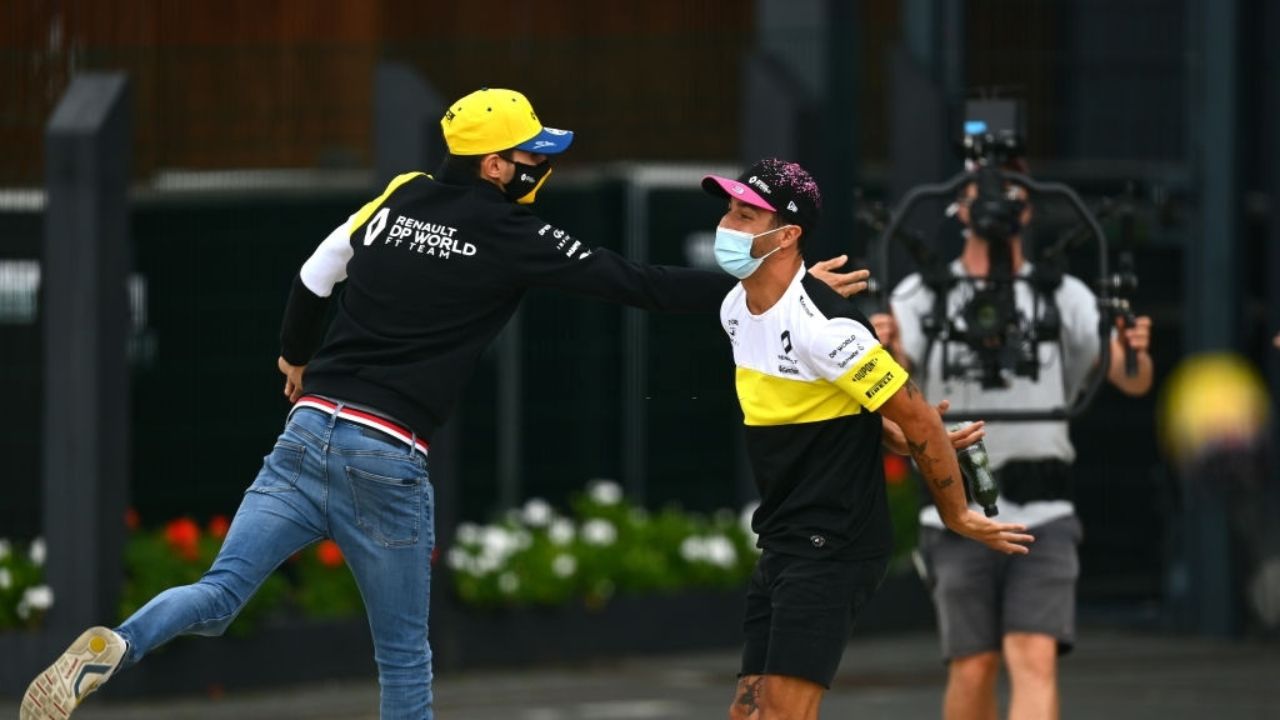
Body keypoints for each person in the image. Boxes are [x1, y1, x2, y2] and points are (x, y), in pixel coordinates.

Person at [21, 89, 867, 720]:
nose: (541, 164)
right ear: (494, 165)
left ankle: (117, 644)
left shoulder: (400, 195)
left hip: (306, 431)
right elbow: (639, 283)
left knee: (216, 595)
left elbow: (315, 276)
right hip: (385, 454)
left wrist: (294, 356)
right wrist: (778, 281)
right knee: (404, 659)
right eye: (530, 153)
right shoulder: (515, 232)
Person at [702, 159, 1034, 720]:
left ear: (787, 235)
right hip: (783, 535)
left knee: (783, 713)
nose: (727, 226)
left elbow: (921, 418)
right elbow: (833, 407)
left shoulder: (827, 328)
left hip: (834, 541)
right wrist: (889, 436)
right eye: (729, 211)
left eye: (745, 216)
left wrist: (957, 514)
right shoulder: (736, 308)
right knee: (748, 712)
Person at [886, 170, 1154, 720]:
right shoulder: (920, 294)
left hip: (1044, 511)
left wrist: (1133, 349)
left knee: (1034, 655)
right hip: (957, 511)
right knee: (973, 665)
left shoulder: (1062, 293)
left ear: (1030, 210)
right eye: (980, 195)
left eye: (1011, 196)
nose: (995, 207)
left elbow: (1132, 379)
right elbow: (894, 385)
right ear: (958, 208)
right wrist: (884, 345)